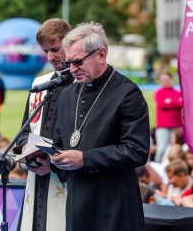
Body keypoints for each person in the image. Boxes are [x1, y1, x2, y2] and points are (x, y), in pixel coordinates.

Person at [51, 22, 150, 231]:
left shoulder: (127, 94)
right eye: (68, 62)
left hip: (114, 205)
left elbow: (136, 151)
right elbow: (60, 142)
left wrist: (85, 158)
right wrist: (49, 158)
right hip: (77, 201)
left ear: (102, 54)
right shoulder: (68, 94)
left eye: (78, 62)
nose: (72, 69)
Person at [15, 18, 72, 231]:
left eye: (55, 49)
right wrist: (25, 150)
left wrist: (54, 163)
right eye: (45, 51)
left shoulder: (82, 84)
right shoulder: (39, 84)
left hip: (65, 178)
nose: (51, 57)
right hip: (34, 175)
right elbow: (24, 130)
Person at [154, 71, 183, 162]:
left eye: (167, 79)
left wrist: (170, 101)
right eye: (162, 80)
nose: (165, 81)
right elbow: (162, 104)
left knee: (175, 149)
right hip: (163, 126)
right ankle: (157, 166)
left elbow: (181, 103)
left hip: (177, 126)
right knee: (162, 149)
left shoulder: (178, 92)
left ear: (171, 79)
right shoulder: (159, 92)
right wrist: (174, 102)